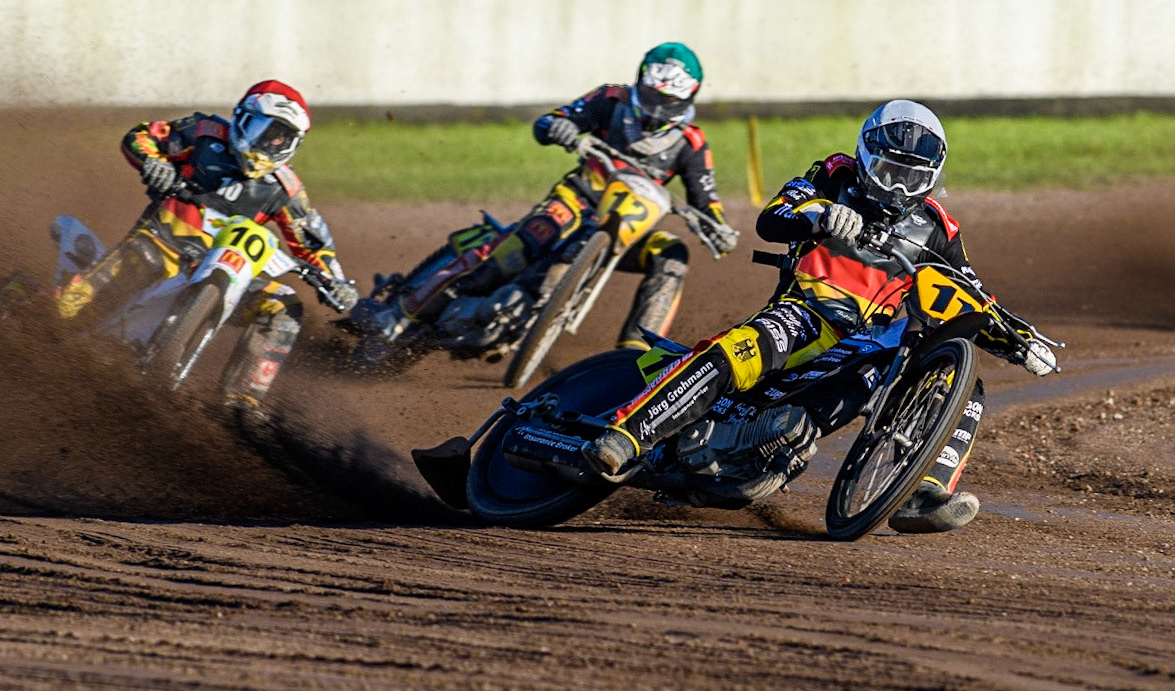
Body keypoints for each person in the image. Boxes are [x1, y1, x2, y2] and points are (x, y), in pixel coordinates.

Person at [582, 99, 1057, 533]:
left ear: (932, 177)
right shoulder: (836, 174)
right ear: (866, 157)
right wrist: (822, 214)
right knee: (739, 350)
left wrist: (1018, 336)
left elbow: (970, 290)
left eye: (910, 177)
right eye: (889, 170)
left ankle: (923, 490)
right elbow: (775, 214)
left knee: (963, 383)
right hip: (808, 311)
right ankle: (628, 433)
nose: (896, 187)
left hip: (877, 341)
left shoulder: (939, 226)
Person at [367, 42, 738, 349]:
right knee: (508, 256)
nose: (657, 109)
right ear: (640, 82)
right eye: (652, 96)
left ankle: (635, 353)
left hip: (630, 228)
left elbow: (707, 200)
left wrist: (719, 228)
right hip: (574, 202)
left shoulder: (692, 143)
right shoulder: (610, 99)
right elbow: (550, 121)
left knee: (672, 253)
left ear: (688, 96)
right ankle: (401, 315)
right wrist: (558, 126)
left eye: (668, 101)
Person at [56, 79, 357, 414]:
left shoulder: (286, 187)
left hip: (228, 266)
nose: (270, 143)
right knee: (67, 311)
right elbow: (141, 136)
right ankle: (10, 314)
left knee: (282, 305)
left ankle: (241, 403)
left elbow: (314, 243)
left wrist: (336, 282)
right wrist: (153, 162)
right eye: (265, 130)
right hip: (160, 248)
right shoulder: (204, 132)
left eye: (282, 138)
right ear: (242, 117)